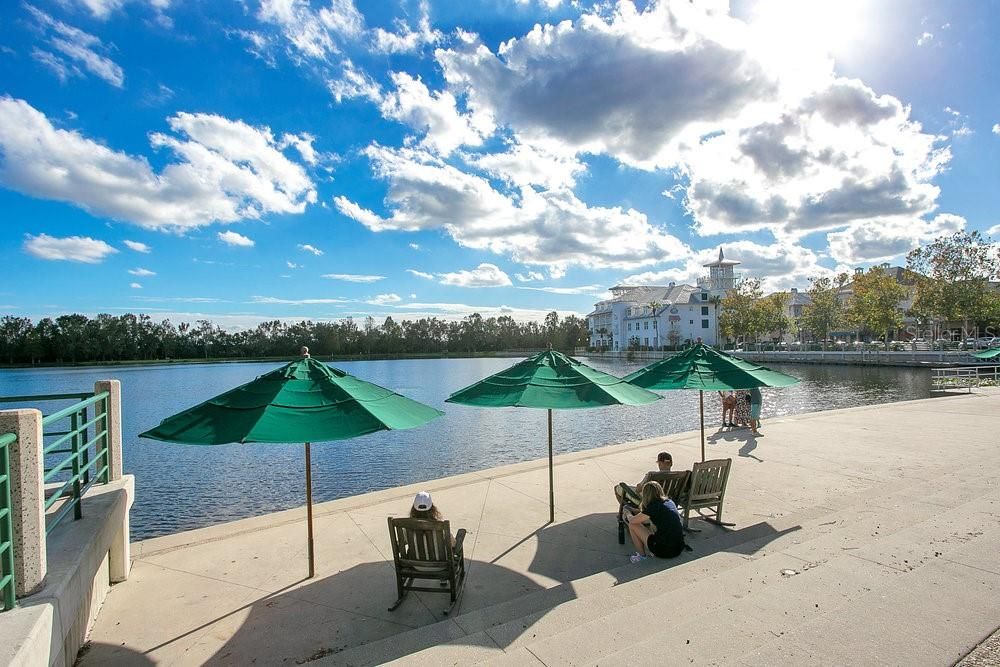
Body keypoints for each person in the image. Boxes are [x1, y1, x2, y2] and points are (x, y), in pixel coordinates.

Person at [626, 481, 686, 562]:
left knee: (632, 525)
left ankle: (641, 556)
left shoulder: (653, 507)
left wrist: (627, 513)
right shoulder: (669, 502)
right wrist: (633, 510)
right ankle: (653, 548)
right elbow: (644, 514)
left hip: (664, 551)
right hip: (678, 548)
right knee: (654, 524)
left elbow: (633, 521)